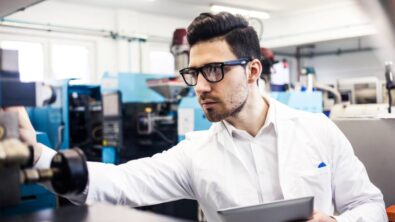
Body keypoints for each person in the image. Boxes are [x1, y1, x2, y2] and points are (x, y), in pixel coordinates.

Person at [12, 12, 386, 222]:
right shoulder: (196, 153)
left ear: (253, 71)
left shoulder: (317, 129)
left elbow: (369, 205)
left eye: (215, 70)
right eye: (194, 73)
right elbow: (120, 184)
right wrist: (36, 156)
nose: (201, 87)